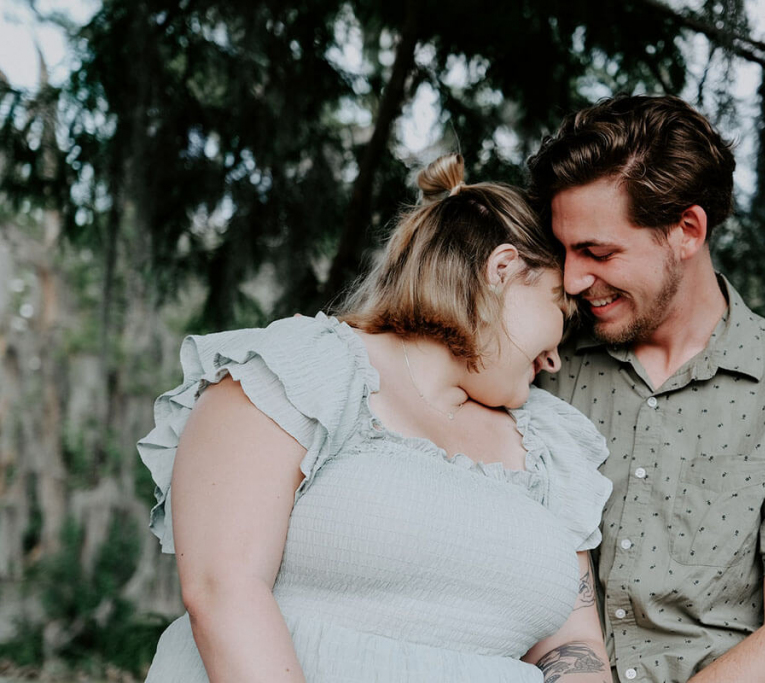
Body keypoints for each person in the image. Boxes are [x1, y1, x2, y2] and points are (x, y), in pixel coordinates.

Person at [138, 153, 615, 683]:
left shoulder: (553, 442)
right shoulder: (303, 368)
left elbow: (575, 646)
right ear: (503, 271)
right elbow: (223, 588)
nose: (555, 358)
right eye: (559, 308)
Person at [529, 95, 765, 683]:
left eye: (598, 251)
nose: (572, 278)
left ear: (687, 230)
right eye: (564, 250)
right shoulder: (541, 363)